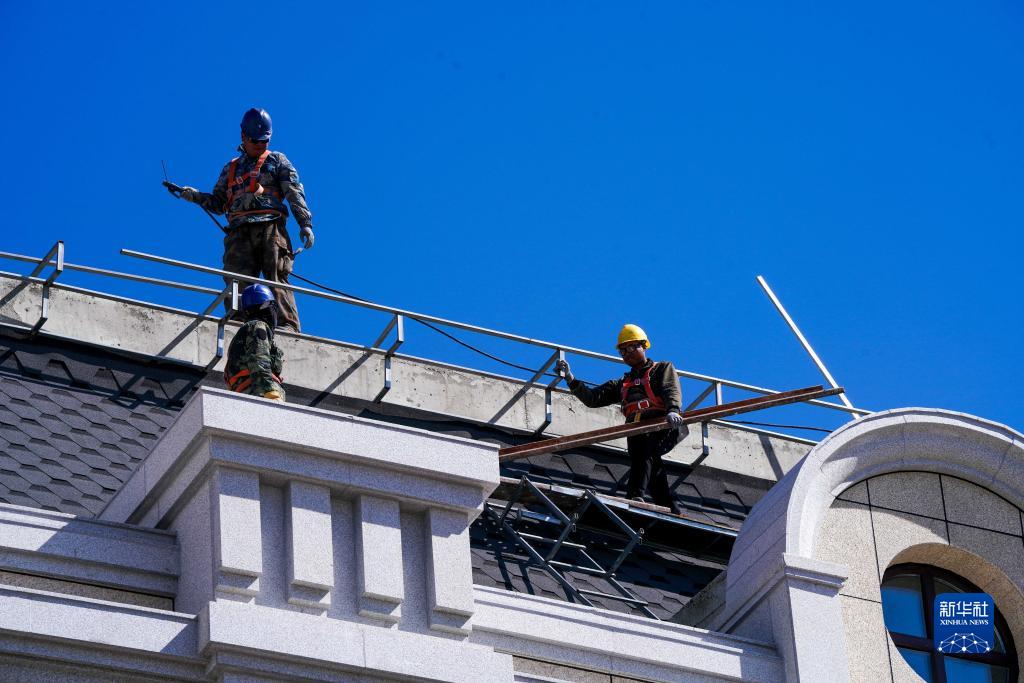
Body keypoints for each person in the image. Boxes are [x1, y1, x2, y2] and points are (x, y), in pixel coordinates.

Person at [175, 108, 314, 332]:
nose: (260, 145)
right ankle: (238, 322)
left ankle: (286, 324)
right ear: (243, 136)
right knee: (236, 278)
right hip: (239, 230)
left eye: (264, 140)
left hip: (270, 226)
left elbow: (294, 192)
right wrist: (195, 196)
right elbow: (219, 203)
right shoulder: (231, 169)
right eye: (255, 140)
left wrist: (305, 223)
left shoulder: (277, 160)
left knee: (276, 274)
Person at [556, 324, 684, 513]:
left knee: (644, 452)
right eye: (623, 351)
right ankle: (671, 509)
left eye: (631, 347)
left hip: (661, 423)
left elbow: (670, 389)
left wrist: (673, 410)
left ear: (644, 346)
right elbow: (593, 399)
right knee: (651, 466)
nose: (627, 353)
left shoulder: (661, 369)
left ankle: (634, 496)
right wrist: (570, 379)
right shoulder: (622, 383)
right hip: (635, 427)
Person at [223, 284, 286, 402]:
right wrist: (270, 392)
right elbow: (260, 360)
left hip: (246, 394)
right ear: (266, 307)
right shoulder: (258, 327)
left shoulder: (244, 332)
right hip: (259, 392)